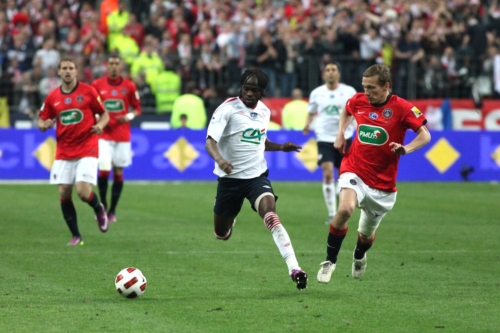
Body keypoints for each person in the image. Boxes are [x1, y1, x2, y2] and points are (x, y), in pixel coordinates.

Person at [316, 64, 431, 283]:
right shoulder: (358, 99)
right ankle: (330, 261)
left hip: (382, 184)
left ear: (386, 86)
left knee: (365, 236)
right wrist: (341, 133)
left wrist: (405, 149)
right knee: (345, 209)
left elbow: (425, 135)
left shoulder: (403, 108)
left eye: (371, 88)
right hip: (354, 168)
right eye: (364, 87)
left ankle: (359, 255)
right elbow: (347, 110)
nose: (366, 92)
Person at [205, 69, 308, 291]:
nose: (249, 93)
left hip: (256, 178)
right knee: (221, 234)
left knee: (270, 214)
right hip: (229, 181)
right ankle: (229, 222)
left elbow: (260, 140)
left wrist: (280, 147)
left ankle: (294, 268)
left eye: (254, 90)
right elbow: (210, 141)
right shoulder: (227, 109)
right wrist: (220, 159)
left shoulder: (264, 111)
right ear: (240, 88)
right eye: (246, 89)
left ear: (262, 92)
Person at [37, 57, 110, 246]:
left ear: (76, 71)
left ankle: (99, 208)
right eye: (64, 68)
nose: (68, 71)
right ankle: (76, 236)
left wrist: (100, 125)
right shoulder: (52, 96)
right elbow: (41, 119)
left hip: (87, 147)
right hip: (64, 150)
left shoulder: (88, 92)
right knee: (63, 192)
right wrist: (44, 125)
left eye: (71, 68)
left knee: (83, 192)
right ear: (59, 72)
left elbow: (104, 114)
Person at [303, 62, 357, 224]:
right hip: (324, 137)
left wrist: (356, 125)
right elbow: (311, 112)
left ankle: (342, 205)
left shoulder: (348, 91)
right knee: (327, 173)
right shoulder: (317, 93)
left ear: (338, 74)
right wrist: (307, 124)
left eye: (334, 70)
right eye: (328, 70)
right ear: (324, 74)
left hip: (344, 137)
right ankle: (332, 212)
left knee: (344, 176)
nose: (331, 72)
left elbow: (355, 111)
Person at [91, 55, 141, 223]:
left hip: (122, 135)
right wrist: (98, 118)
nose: (113, 67)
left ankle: (112, 210)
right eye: (110, 63)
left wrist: (127, 116)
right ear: (107, 66)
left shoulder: (129, 86)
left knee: (119, 171)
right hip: (104, 134)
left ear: (121, 67)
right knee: (104, 169)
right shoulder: (97, 85)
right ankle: (103, 205)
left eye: (116, 64)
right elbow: (91, 106)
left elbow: (138, 108)